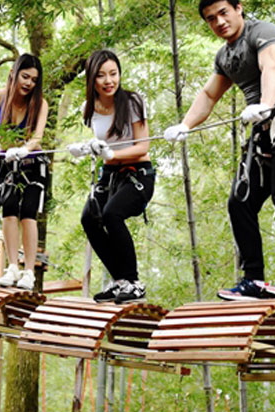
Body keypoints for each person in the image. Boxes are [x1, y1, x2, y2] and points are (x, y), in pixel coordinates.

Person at [164, 0, 275, 300]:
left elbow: (272, 67)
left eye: (223, 13)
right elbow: (209, 94)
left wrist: (266, 106)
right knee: (239, 202)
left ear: (239, 8)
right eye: (211, 19)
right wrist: (185, 125)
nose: (219, 22)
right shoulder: (225, 55)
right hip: (262, 129)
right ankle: (253, 279)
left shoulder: (263, 32)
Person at [68, 49, 155, 304]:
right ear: (92, 79)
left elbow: (143, 147)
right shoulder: (88, 108)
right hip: (109, 174)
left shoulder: (133, 102)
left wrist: (112, 155)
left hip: (137, 173)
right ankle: (121, 282)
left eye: (113, 74)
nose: (109, 81)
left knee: (111, 214)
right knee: (89, 218)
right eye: (102, 76)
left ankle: (134, 282)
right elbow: (100, 142)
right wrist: (85, 148)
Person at [0, 53, 49, 290]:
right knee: (8, 210)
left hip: (32, 162)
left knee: (28, 213)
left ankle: (29, 271)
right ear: (14, 74)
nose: (29, 83)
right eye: (25, 77)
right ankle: (12, 267)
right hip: (6, 162)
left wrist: (24, 148)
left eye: (34, 80)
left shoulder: (39, 104)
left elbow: (38, 137)